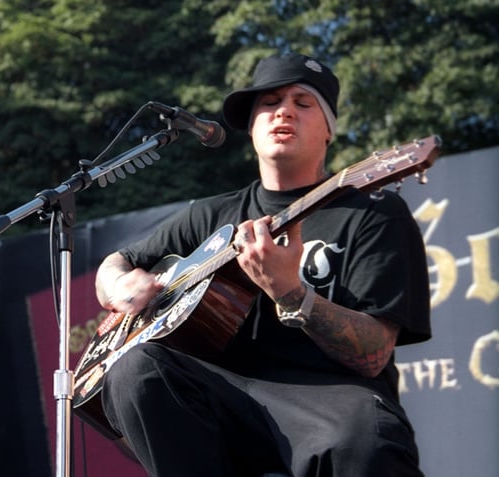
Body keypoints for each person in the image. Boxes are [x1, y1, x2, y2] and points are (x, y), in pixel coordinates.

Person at [94, 53, 430, 476]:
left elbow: (374, 355)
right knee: (134, 370)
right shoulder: (211, 216)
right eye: (269, 103)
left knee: (364, 438)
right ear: (252, 126)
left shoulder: (374, 213)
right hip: (223, 396)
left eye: (303, 103)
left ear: (329, 129)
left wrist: (291, 292)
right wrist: (120, 287)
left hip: (330, 399)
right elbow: (116, 263)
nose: (284, 111)